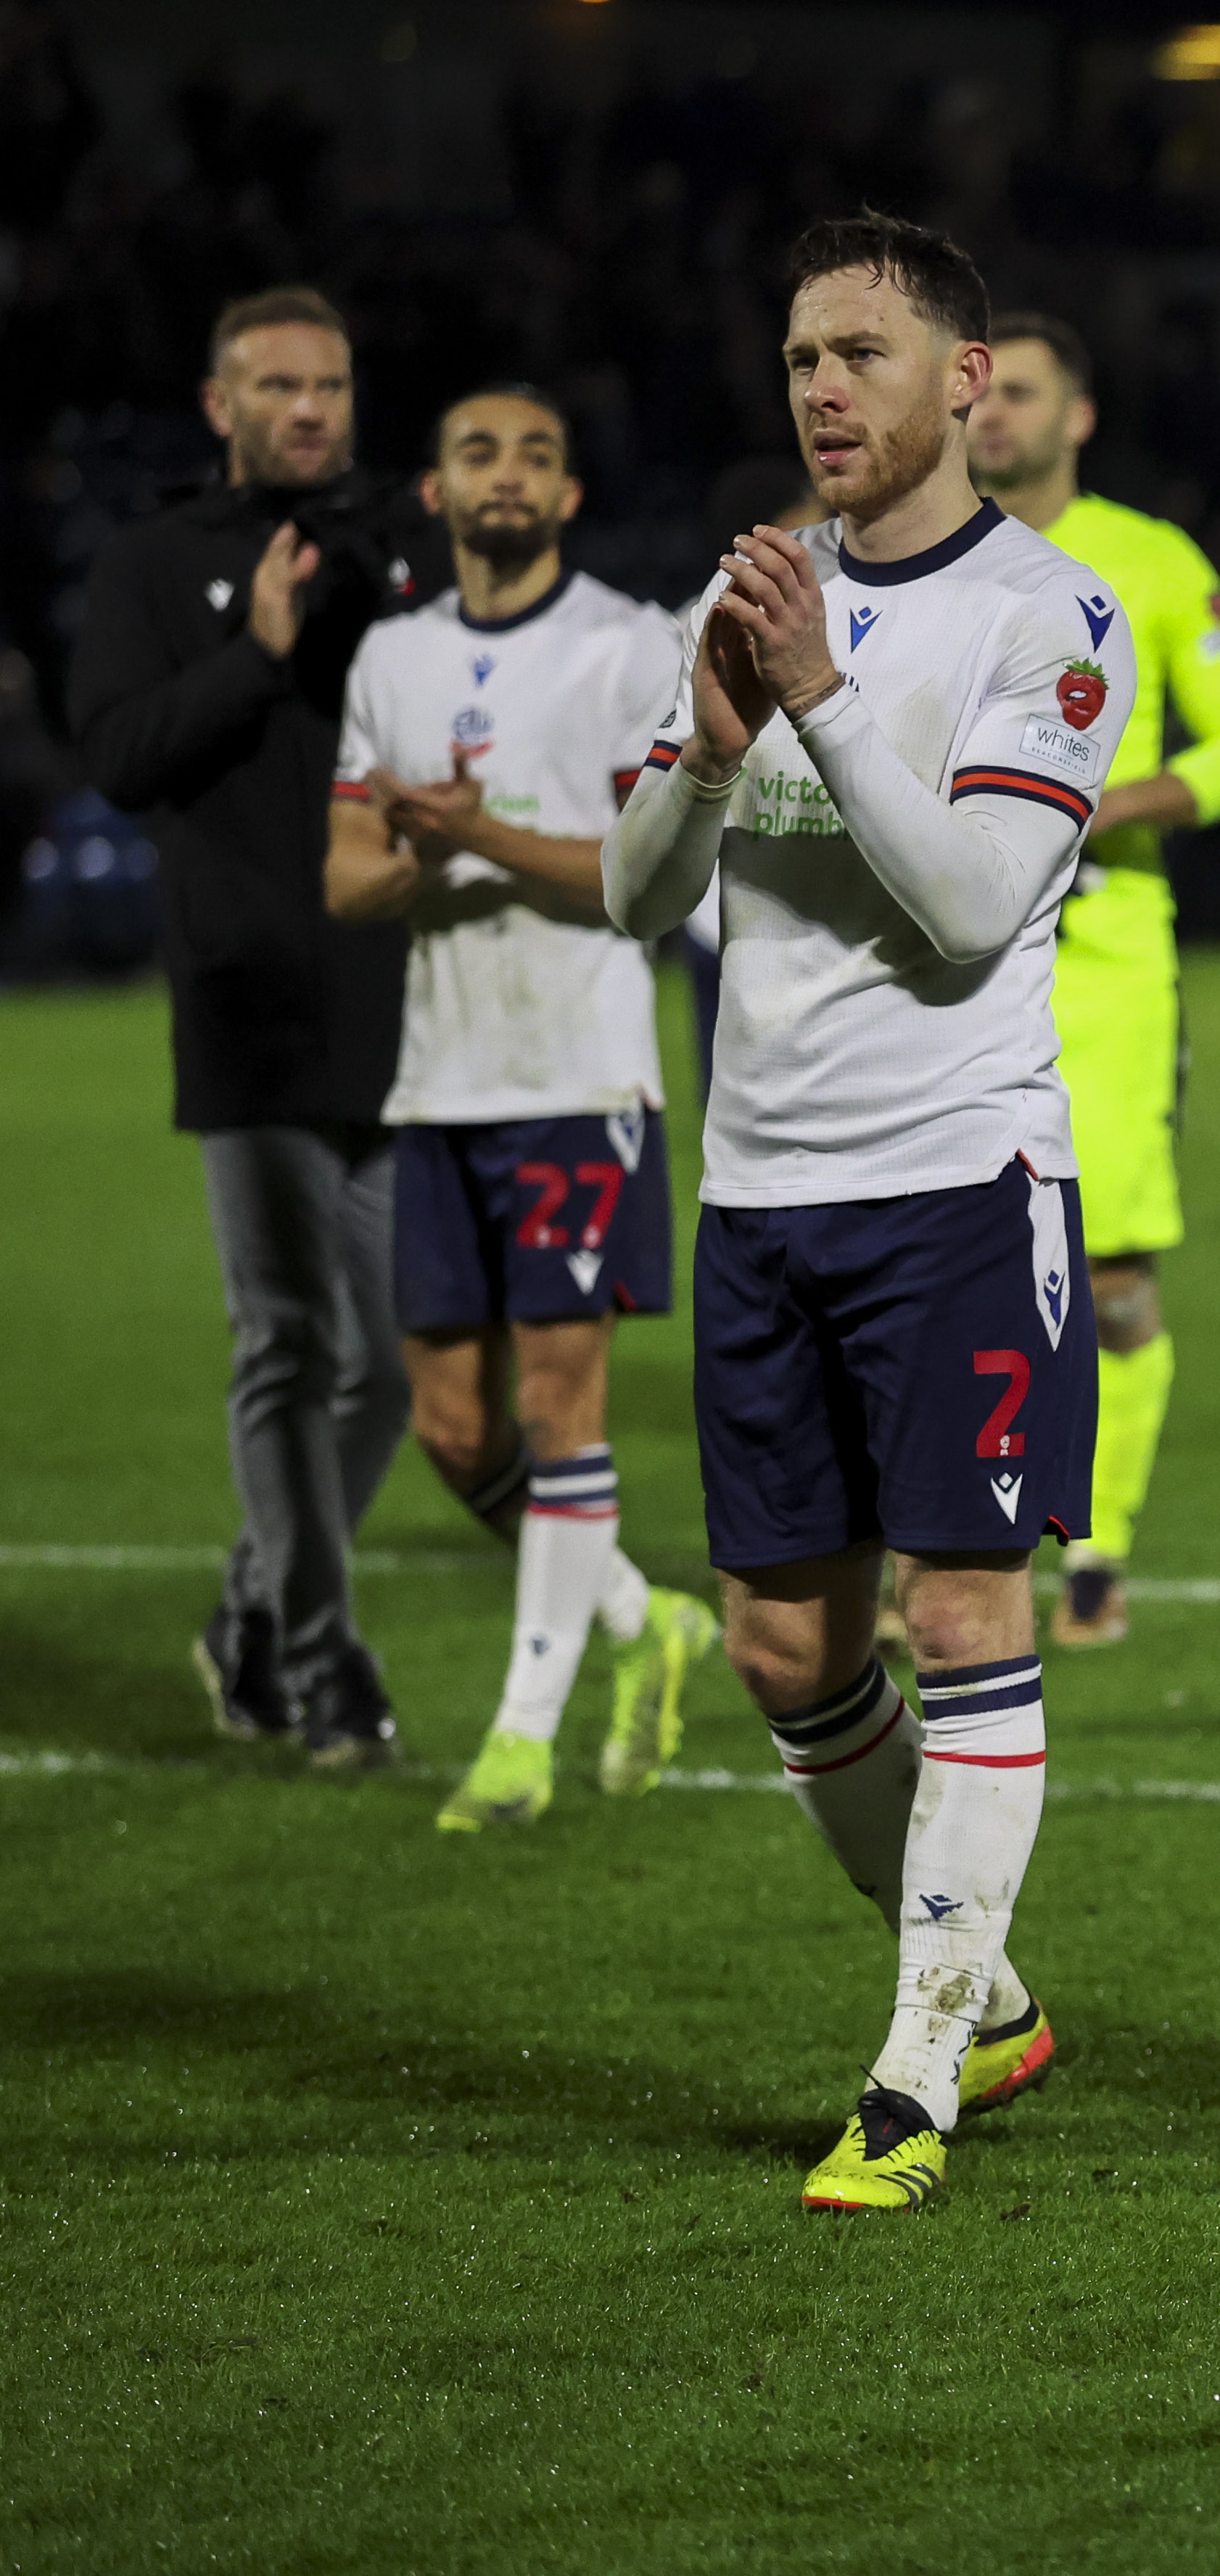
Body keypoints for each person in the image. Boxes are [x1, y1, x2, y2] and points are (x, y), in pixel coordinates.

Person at [604, 214, 1134, 2213]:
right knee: (781, 1648)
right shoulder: (747, 593)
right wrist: (717, 752)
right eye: (799, 354)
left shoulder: (1048, 615)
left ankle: (914, 2072)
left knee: (964, 1610)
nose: (819, 387)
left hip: (959, 1184)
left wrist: (817, 697)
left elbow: (980, 904)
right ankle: (986, 1993)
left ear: (965, 387)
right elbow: (641, 896)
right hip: (762, 1188)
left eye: (857, 351)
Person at [321, 384, 721, 1830]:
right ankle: (640, 1617)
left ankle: (518, 1736)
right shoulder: (393, 656)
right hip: (443, 1079)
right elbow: (347, 878)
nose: (509, 474)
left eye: (539, 454)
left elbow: (644, 870)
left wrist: (470, 825)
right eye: (479, 452)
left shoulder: (625, 644)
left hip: (576, 1072)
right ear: (434, 490)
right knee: (450, 1425)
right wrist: (435, 847)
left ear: (570, 496)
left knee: (560, 1401)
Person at [70, 285, 427, 1769]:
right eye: (278, 386)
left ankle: (251, 1615)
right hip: (243, 1009)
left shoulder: (398, 555)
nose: (309, 410)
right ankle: (330, 1664)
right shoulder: (154, 565)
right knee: (287, 1343)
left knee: (394, 1371)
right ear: (220, 405)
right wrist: (256, 650)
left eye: (331, 385)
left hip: (396, 1011)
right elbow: (118, 756)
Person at [965, 312, 1220, 1650]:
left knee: (1109, 1282)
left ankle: (1096, 1540)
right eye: (975, 391)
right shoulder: (910, 558)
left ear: (1077, 415)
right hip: (945, 966)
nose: (992, 415)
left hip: (1100, 970)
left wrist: (1095, 808)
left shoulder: (1152, 563)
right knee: (941, 1274)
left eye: (1022, 391)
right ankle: (935, 1544)